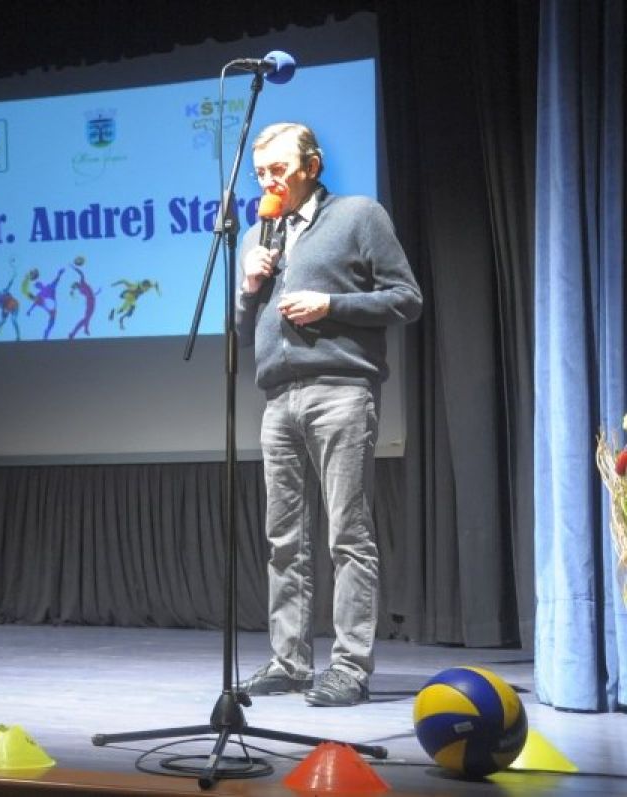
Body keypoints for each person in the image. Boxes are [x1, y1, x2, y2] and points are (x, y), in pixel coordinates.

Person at [235, 123, 422, 707]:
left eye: (279, 170)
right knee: (284, 541)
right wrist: (249, 286)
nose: (268, 182)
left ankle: (349, 667)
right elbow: (243, 331)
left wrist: (331, 304)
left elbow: (407, 299)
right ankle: (290, 662)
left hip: (341, 390)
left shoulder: (358, 215)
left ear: (311, 167)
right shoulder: (258, 234)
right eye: (260, 173)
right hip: (278, 399)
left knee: (348, 534)